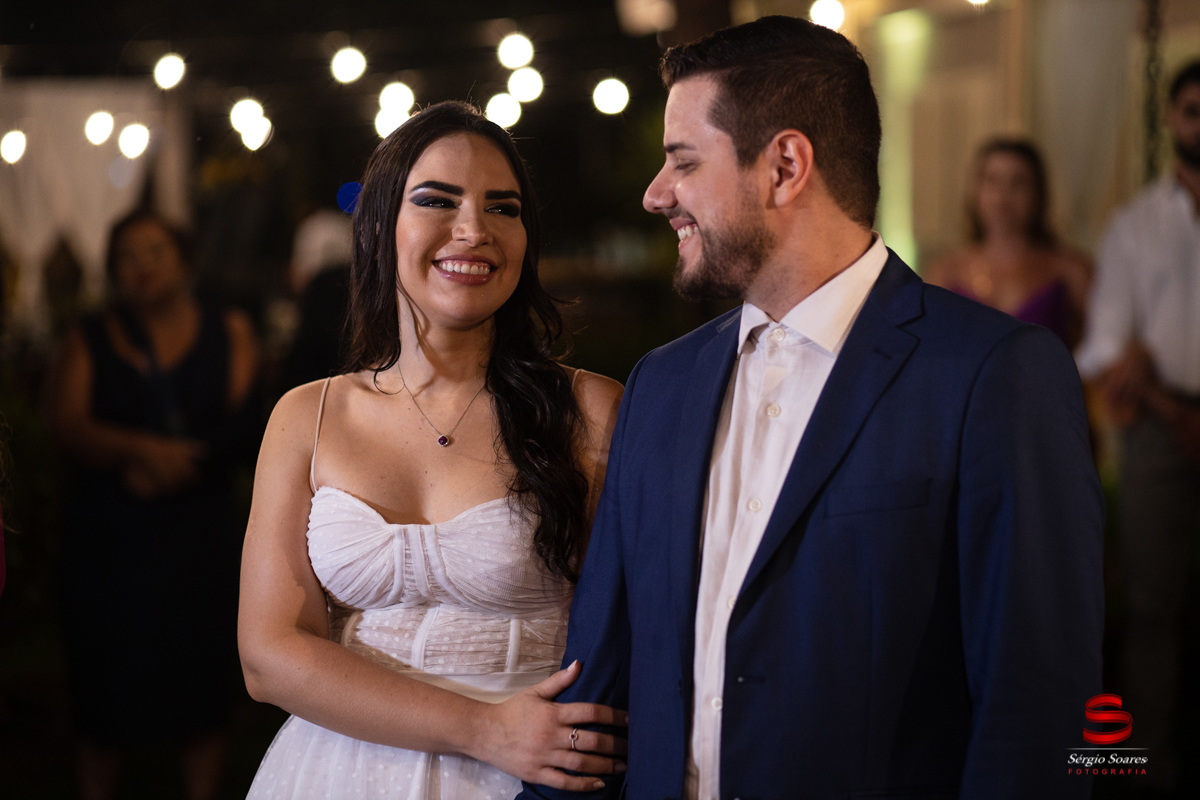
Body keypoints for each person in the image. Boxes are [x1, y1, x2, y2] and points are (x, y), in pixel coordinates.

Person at [519, 16, 1104, 800]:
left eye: (684, 162)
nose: (657, 194)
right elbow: (596, 691)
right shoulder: (659, 385)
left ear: (785, 166)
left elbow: (1038, 712)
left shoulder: (995, 375)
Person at [238, 101, 627, 798]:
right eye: (437, 201)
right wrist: (483, 729)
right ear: (379, 226)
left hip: (526, 777)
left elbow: (637, 627)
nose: (474, 229)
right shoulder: (309, 416)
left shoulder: (589, 412)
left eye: (502, 208)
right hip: (337, 771)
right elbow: (268, 656)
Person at [50, 209, 261, 800]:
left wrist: (177, 466)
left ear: (183, 260)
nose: (142, 266)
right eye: (127, 256)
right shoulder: (90, 335)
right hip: (107, 538)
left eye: (155, 251)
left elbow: (247, 425)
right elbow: (68, 425)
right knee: (103, 677)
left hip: (199, 536)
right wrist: (139, 450)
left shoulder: (230, 329)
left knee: (199, 673)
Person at [1075, 58, 1200, 795]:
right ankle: (1149, 763)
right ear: (1173, 119)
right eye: (1192, 110)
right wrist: (1170, 405)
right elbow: (1104, 345)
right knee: (1154, 605)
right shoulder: (1135, 224)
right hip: (1160, 425)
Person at [926, 138, 1091, 348]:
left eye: (1018, 182)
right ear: (975, 190)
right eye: (992, 181)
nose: (1003, 194)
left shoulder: (1071, 271)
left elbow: (1100, 350)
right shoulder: (947, 272)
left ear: (1038, 192)